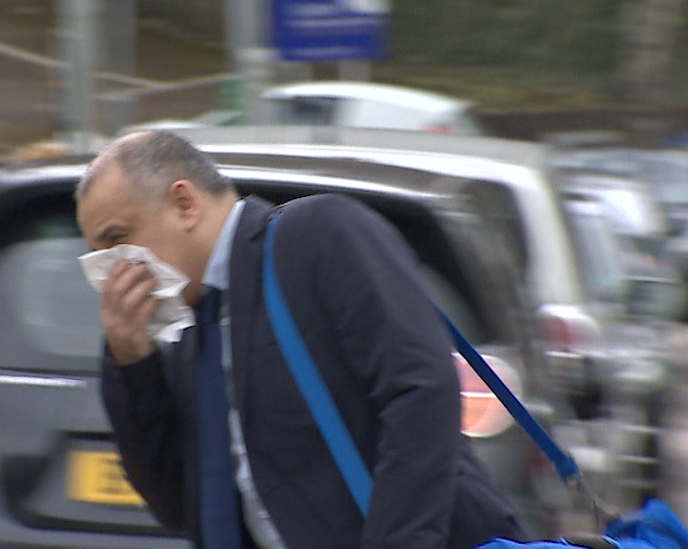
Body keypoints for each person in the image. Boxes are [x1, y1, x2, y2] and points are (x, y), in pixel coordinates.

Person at [75, 130, 526, 549]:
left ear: (184, 204)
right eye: (98, 256)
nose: (111, 272)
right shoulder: (192, 335)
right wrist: (131, 364)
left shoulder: (317, 236)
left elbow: (422, 394)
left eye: (118, 241)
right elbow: (177, 504)